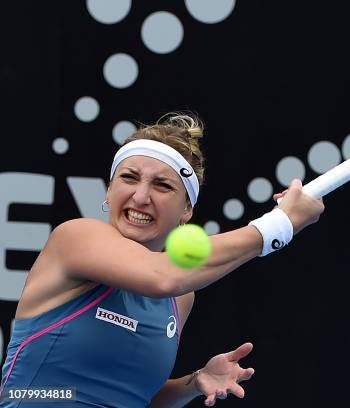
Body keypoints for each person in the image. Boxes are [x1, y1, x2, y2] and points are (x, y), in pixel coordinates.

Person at [0, 114, 324, 407]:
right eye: (129, 178)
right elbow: (161, 276)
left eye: (162, 185)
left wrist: (194, 383)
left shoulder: (180, 297)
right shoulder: (76, 238)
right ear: (108, 190)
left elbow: (138, 398)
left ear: (186, 210)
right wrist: (279, 225)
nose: (141, 197)